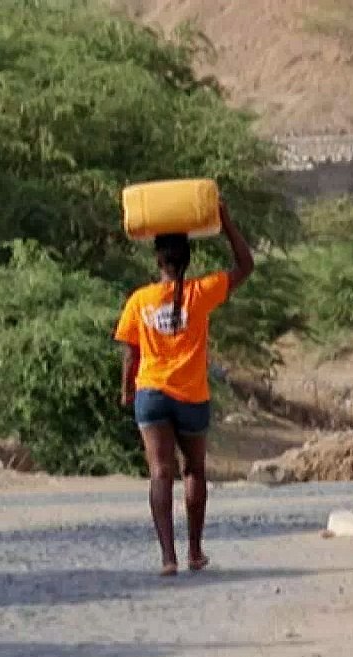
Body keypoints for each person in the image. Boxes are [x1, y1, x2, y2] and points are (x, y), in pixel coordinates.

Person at [113, 202, 254, 576]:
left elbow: (131, 354)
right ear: (188, 259)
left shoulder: (139, 300)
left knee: (160, 472)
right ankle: (194, 551)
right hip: (192, 397)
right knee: (193, 469)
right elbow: (246, 266)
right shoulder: (201, 292)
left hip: (153, 395)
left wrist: (127, 392)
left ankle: (167, 558)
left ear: (158, 259)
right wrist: (225, 221)